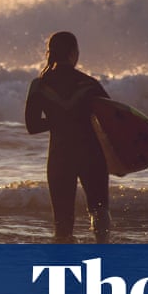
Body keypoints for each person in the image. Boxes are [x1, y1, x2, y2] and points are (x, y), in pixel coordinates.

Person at [24, 32, 112, 243]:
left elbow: (32, 126)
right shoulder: (89, 84)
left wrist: (58, 121)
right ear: (73, 53)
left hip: (60, 157)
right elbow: (112, 121)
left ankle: (63, 265)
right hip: (92, 155)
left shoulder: (40, 85)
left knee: (62, 225)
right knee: (99, 212)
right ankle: (104, 258)